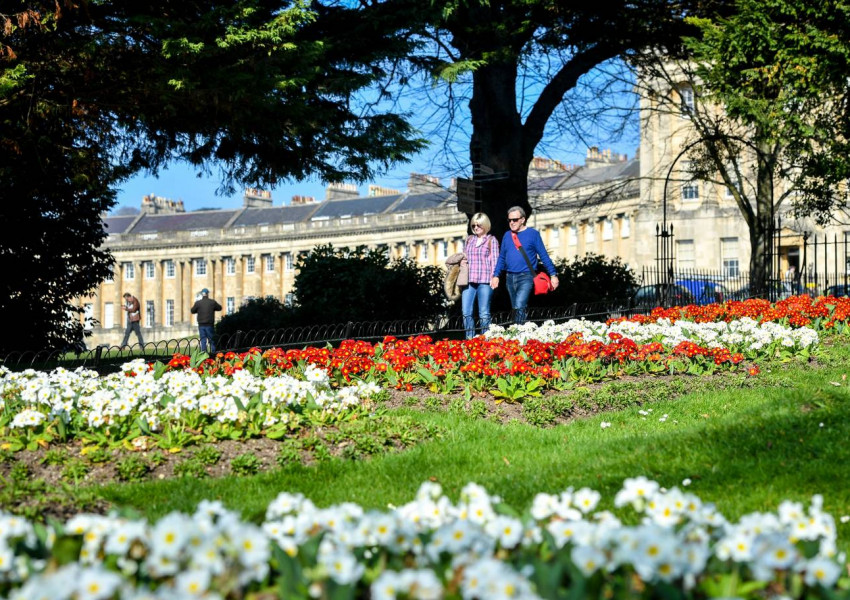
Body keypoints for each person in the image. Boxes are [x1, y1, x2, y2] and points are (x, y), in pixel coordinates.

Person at [490, 206, 559, 324]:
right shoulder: (507, 235)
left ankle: (519, 334)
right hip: (509, 277)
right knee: (516, 308)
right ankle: (523, 332)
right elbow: (501, 257)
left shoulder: (533, 234)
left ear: (523, 219)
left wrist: (553, 274)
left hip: (526, 277)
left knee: (519, 306)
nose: (511, 223)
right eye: (509, 220)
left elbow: (543, 255)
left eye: (515, 220)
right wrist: (496, 275)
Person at [461, 212, 499, 338]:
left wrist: (495, 277)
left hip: (485, 281)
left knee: (484, 313)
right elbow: (464, 258)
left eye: (479, 225)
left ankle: (485, 339)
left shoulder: (491, 240)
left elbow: (495, 260)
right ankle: (470, 340)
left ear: (485, 225)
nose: (476, 228)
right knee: (466, 312)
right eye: (473, 225)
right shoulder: (469, 240)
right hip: (469, 280)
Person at [191, 288, 222, 354]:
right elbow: (219, 308)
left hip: (201, 324)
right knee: (211, 339)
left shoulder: (198, 303)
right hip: (209, 324)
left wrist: (198, 310)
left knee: (203, 339)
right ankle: (213, 352)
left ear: (202, 294)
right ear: (207, 294)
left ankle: (204, 353)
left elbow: (192, 311)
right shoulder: (212, 302)